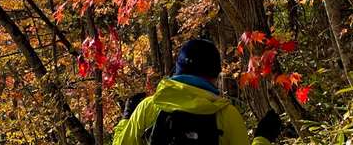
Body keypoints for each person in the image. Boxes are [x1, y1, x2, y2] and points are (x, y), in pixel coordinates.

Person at [115, 38, 282, 144]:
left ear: (178, 70)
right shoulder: (226, 114)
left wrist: (126, 119)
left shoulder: (149, 107)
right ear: (215, 76)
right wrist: (262, 138)